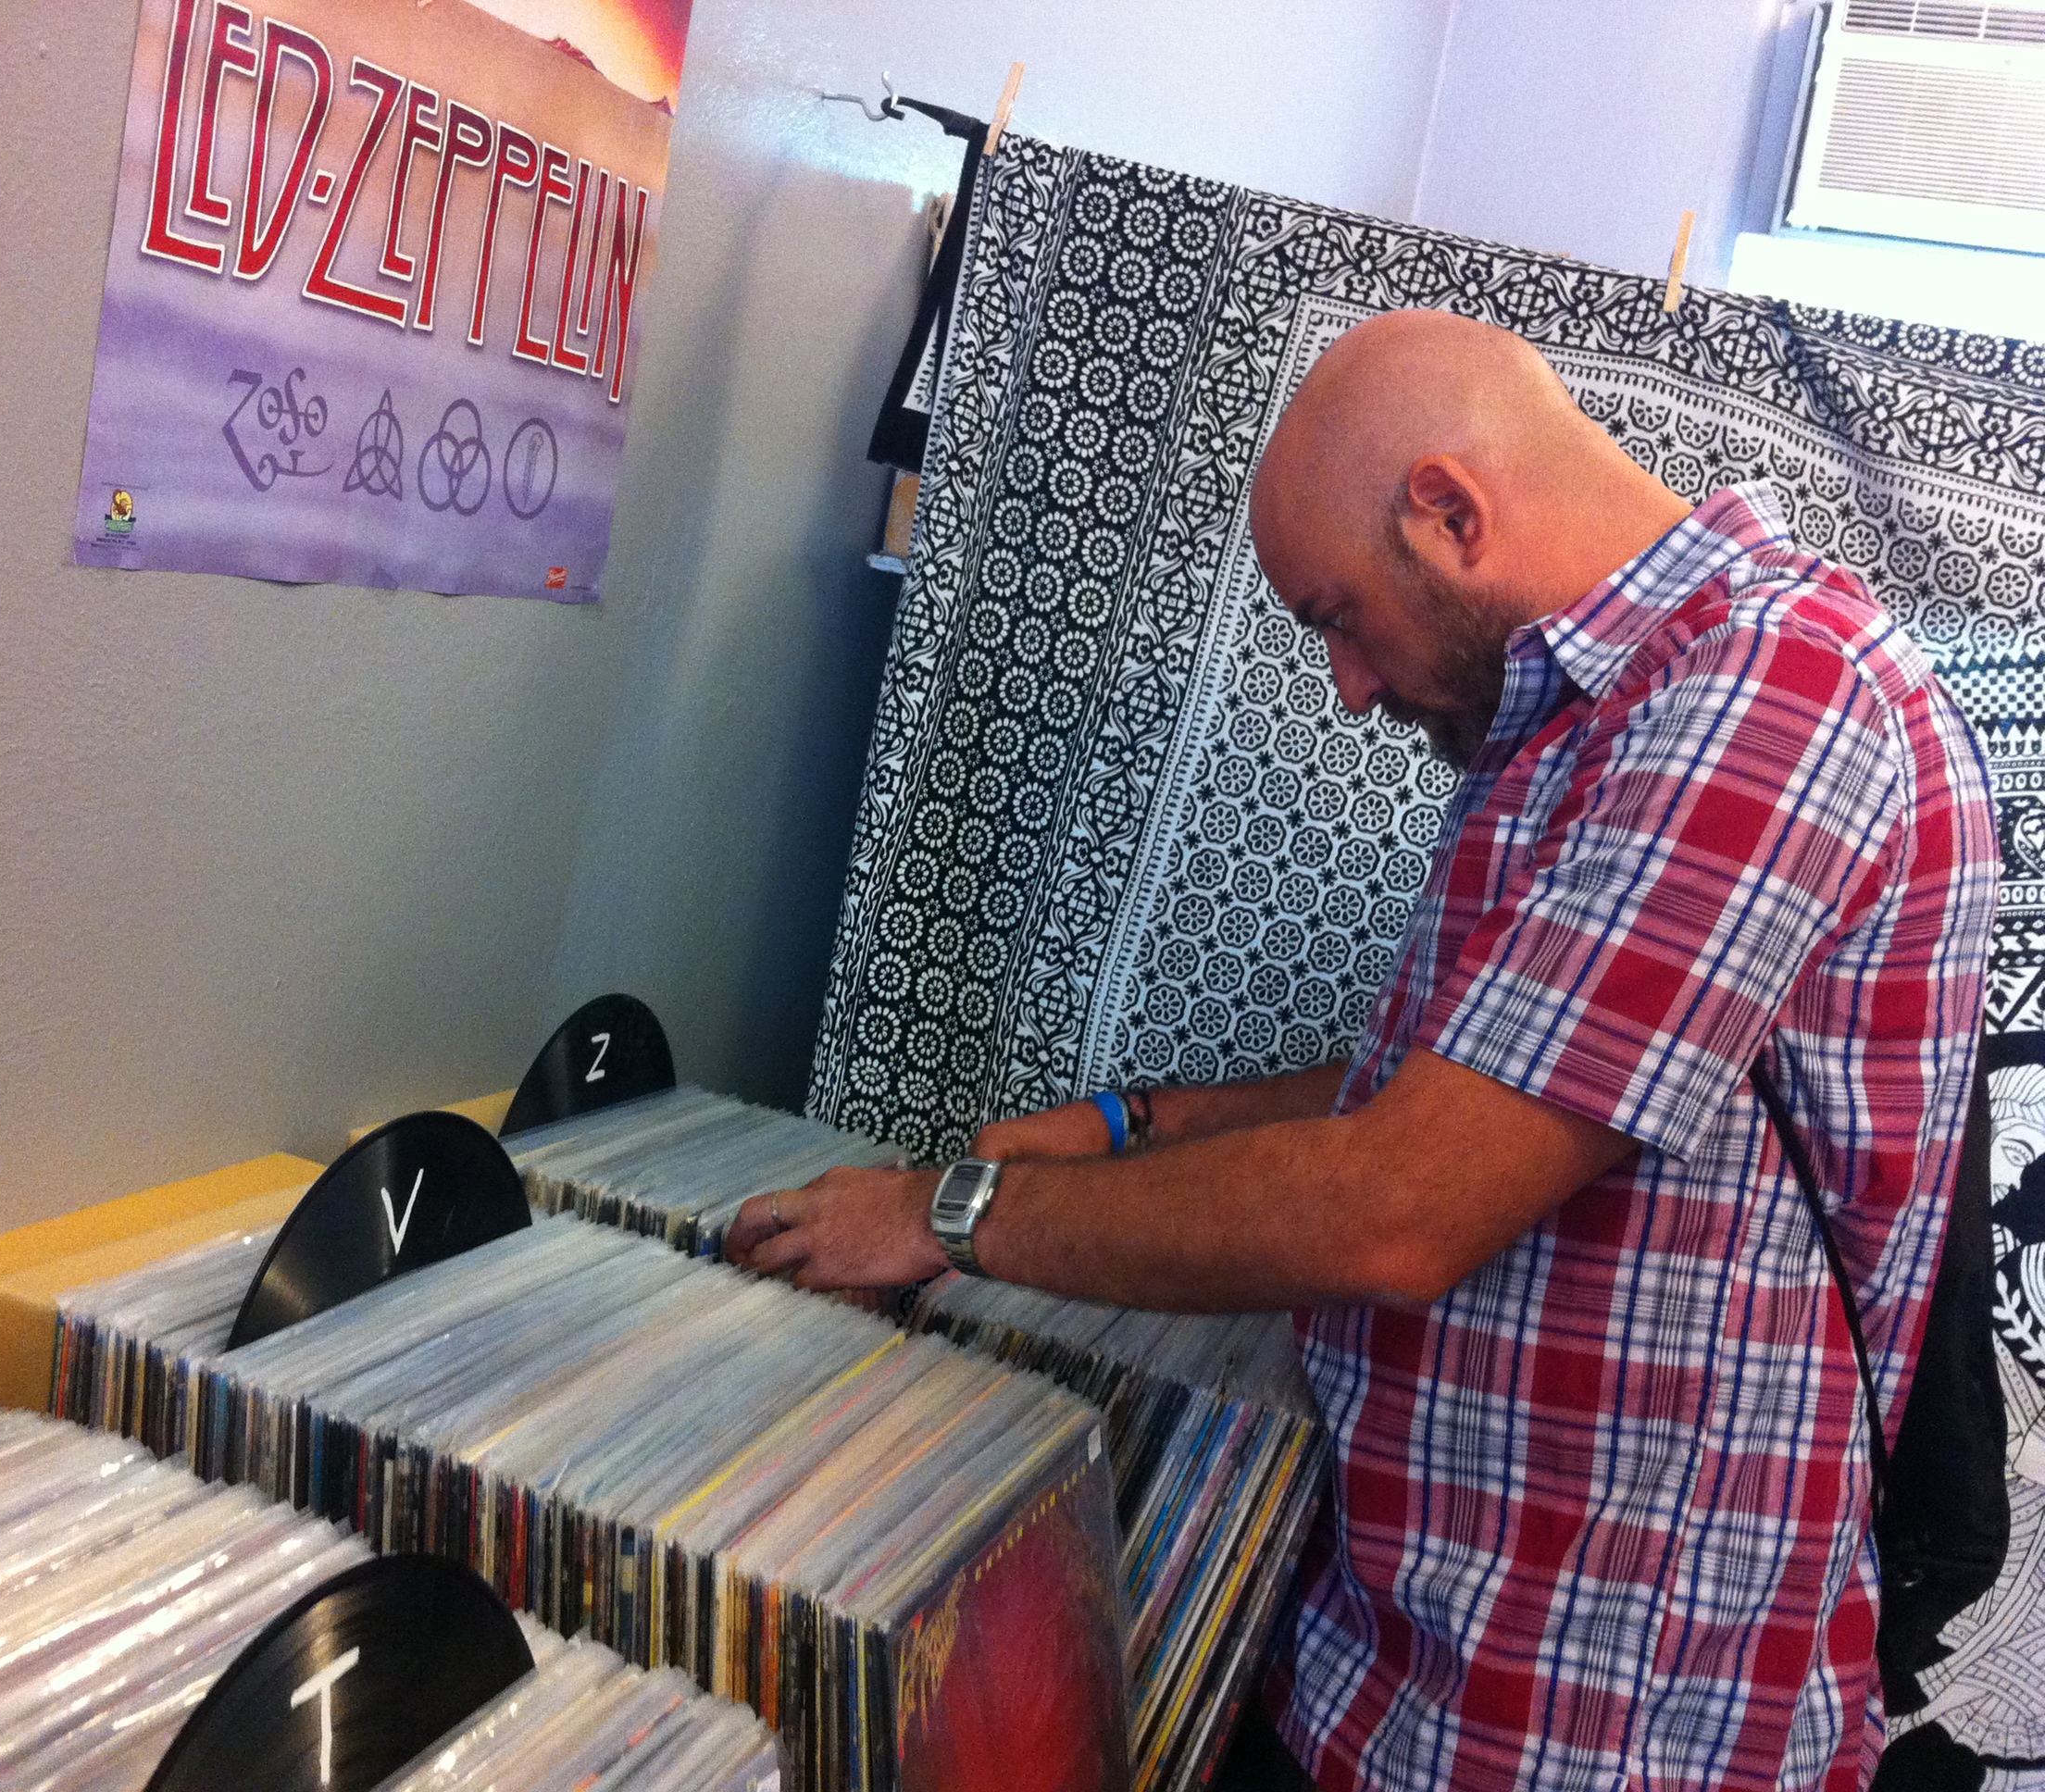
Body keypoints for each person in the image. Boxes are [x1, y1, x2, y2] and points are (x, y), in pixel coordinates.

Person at [725, 310, 2001, 1790]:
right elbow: (1472, 1093)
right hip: (1395, 1666)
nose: (1345, 684)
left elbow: (1400, 1206)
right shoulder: (1588, 721)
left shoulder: (1777, 699)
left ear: (1450, 512)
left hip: (1588, 1735)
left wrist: (942, 1218)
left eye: (1338, 615)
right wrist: (1146, 1124)